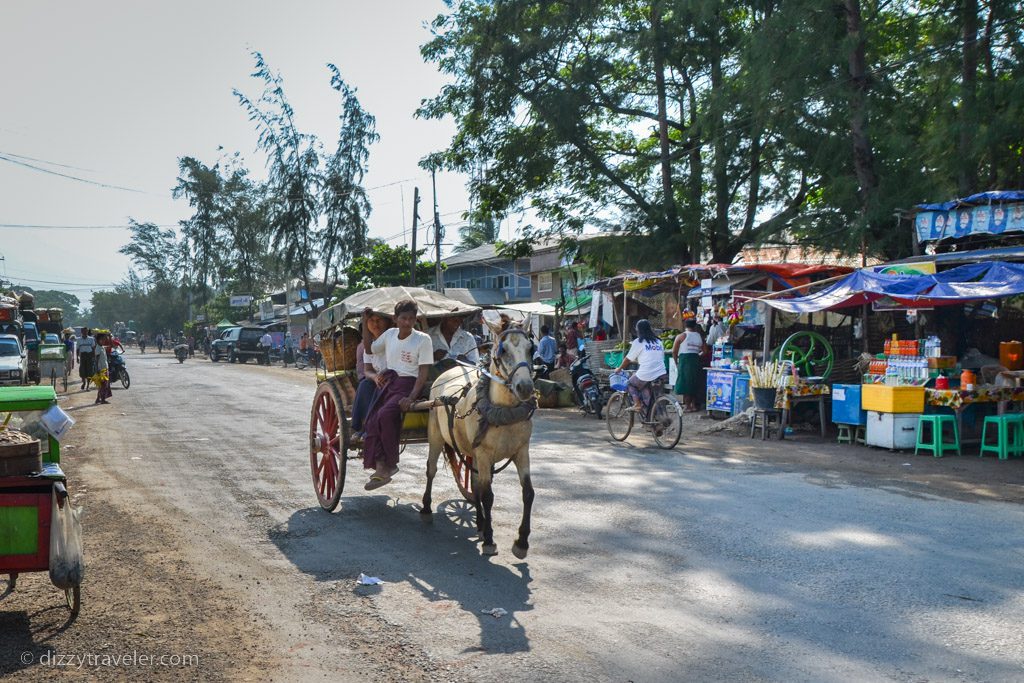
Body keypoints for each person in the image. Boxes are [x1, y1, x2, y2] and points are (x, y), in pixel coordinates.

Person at [362, 300, 433, 491]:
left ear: (415, 319)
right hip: (388, 384)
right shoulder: (389, 335)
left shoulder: (423, 339)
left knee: (385, 415)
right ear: (395, 319)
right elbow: (370, 349)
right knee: (371, 420)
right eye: (403, 318)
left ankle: (390, 464)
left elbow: (423, 373)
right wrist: (364, 322)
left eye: (411, 318)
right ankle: (380, 466)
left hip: (408, 385)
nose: (407, 322)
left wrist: (411, 397)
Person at [351, 311, 391, 436]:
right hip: (374, 379)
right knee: (366, 385)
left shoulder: (393, 338)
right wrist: (375, 377)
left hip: (393, 377)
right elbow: (367, 370)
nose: (375, 324)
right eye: (371, 320)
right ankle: (363, 426)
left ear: (387, 322)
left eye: (379, 320)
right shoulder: (365, 346)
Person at [614, 319, 667, 411]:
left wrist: (619, 369)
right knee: (650, 390)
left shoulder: (638, 342)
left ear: (638, 330)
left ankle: (637, 404)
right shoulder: (659, 342)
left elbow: (628, 359)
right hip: (661, 373)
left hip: (647, 373)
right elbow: (660, 357)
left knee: (630, 383)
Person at [672, 319, 705, 412]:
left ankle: (687, 406)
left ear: (685, 326)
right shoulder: (700, 337)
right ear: (695, 326)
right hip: (695, 361)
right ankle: (694, 405)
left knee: (685, 383)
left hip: (684, 361)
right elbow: (705, 351)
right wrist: (697, 355)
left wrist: (676, 362)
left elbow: (674, 351)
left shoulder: (681, 336)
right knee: (694, 382)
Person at [92, 330, 112, 404]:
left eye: (104, 339)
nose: (104, 341)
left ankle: (99, 398)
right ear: (98, 340)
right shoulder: (98, 348)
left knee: (103, 385)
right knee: (103, 385)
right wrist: (97, 369)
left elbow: (110, 346)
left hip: (105, 368)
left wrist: (109, 337)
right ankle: (101, 399)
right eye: (102, 339)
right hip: (101, 369)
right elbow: (96, 359)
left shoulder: (102, 347)